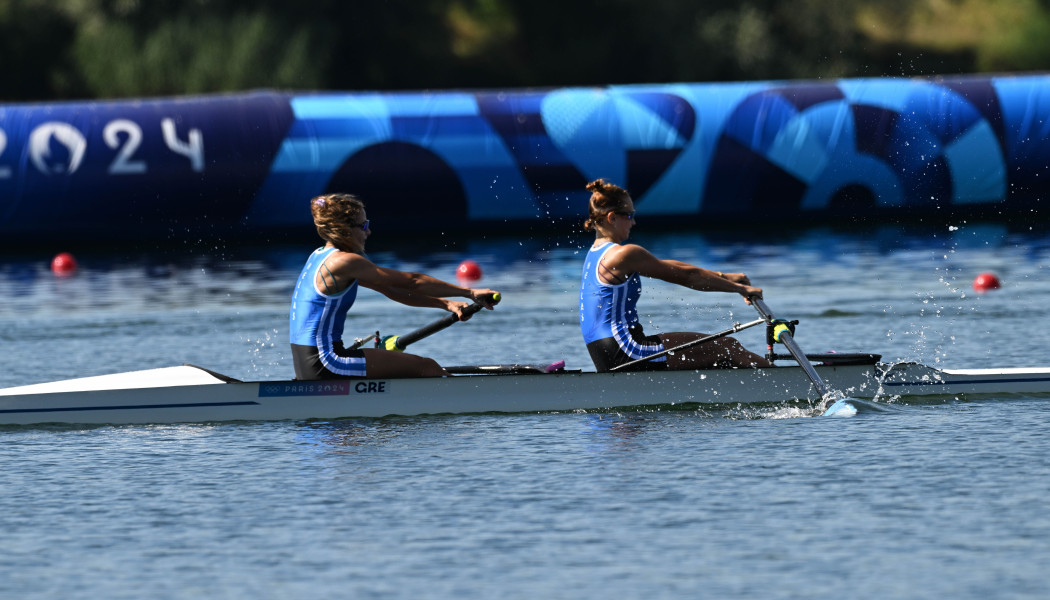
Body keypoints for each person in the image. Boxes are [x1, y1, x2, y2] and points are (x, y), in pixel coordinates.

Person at [290, 193, 499, 380]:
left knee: (407, 369)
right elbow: (412, 281)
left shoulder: (318, 256)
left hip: (308, 364)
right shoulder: (344, 262)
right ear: (344, 230)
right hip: (328, 362)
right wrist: (470, 291)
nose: (369, 231)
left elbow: (391, 290)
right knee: (428, 367)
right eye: (363, 225)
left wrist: (447, 304)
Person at [579, 179, 771, 372]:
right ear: (612, 218)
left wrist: (725, 277)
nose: (634, 221)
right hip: (628, 351)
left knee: (716, 355)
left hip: (607, 353)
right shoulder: (623, 254)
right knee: (728, 347)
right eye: (629, 215)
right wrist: (741, 289)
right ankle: (790, 388)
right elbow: (687, 277)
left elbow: (669, 266)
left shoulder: (595, 254)